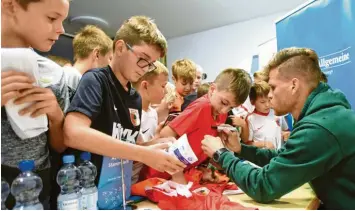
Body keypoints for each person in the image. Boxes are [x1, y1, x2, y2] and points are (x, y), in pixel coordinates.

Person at [201, 47, 355, 209]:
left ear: (294, 85)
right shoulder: (324, 114)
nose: (269, 95)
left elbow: (263, 186)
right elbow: (284, 156)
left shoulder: (318, 127)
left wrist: (221, 154)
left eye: (273, 87)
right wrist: (241, 149)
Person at [63, 16, 185, 209]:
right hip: (87, 195)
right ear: (120, 48)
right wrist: (144, 154)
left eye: (151, 63)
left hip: (118, 193)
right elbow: (73, 133)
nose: (145, 68)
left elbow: (128, 142)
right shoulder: (96, 81)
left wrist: (156, 145)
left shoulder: (134, 97)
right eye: (143, 59)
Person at [1, 0, 70, 209]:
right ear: (10, 5)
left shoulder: (56, 74)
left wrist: (56, 116)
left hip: (38, 187)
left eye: (62, 20)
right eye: (51, 18)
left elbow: (59, 145)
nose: (61, 29)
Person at [142, 68, 251, 184]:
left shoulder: (220, 113)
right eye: (224, 103)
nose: (224, 111)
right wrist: (177, 175)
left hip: (183, 173)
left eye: (231, 108)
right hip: (159, 175)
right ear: (212, 90)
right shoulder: (201, 107)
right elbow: (166, 135)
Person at [64, 25, 113, 92]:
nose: (110, 64)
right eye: (110, 59)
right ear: (97, 54)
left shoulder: (65, 74)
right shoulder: (76, 81)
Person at [243, 81, 282, 149]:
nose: (267, 105)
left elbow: (285, 130)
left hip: (279, 155)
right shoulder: (250, 118)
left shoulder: (276, 112)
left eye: (269, 100)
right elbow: (247, 144)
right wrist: (263, 144)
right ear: (252, 102)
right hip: (262, 156)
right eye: (262, 102)